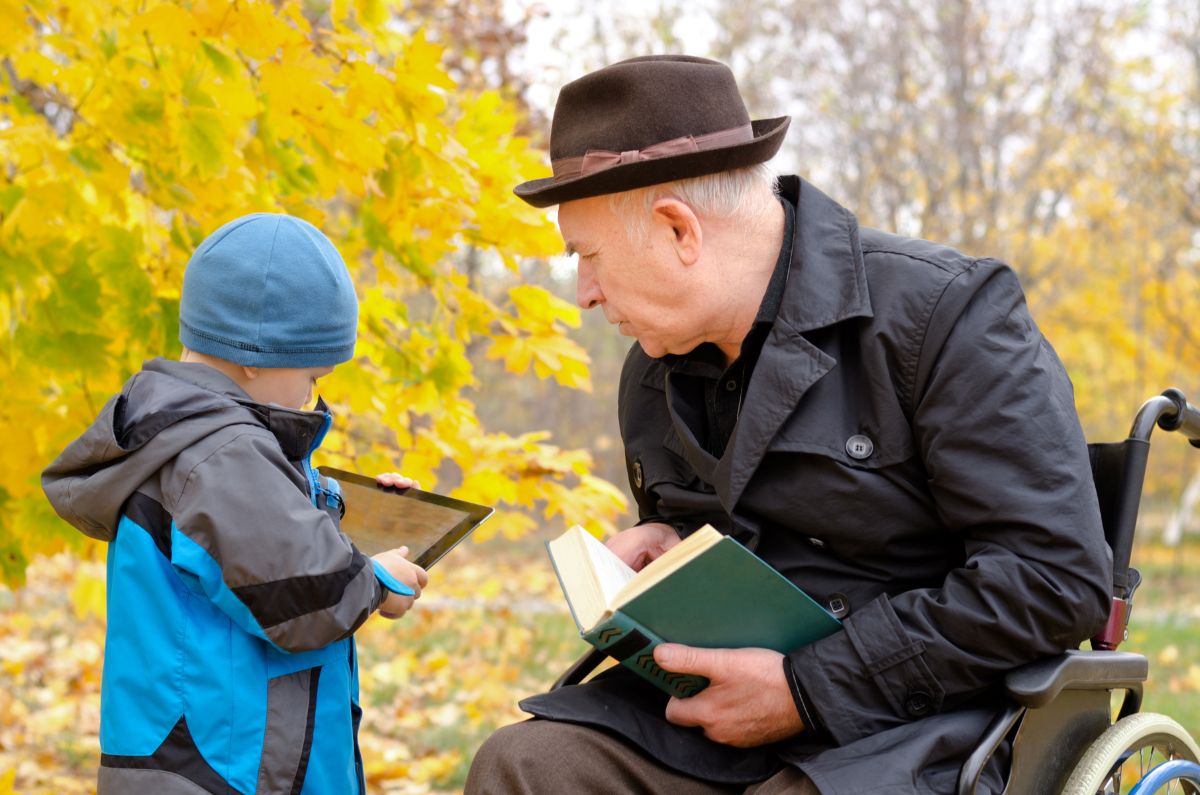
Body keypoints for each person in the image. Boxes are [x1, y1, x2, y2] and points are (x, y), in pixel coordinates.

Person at [465, 55, 1112, 794]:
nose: (582, 292)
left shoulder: (946, 315)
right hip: (717, 725)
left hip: (925, 723)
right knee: (524, 765)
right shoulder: (652, 367)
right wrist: (666, 557)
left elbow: (1053, 580)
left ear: (679, 229)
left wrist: (804, 689)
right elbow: (728, 550)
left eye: (587, 255)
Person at [41, 213, 428, 793]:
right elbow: (307, 592)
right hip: (230, 768)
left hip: (189, 756)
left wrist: (340, 510)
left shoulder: (189, 437)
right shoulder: (221, 453)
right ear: (255, 358)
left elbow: (251, 548)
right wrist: (378, 584)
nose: (312, 395)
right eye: (312, 375)